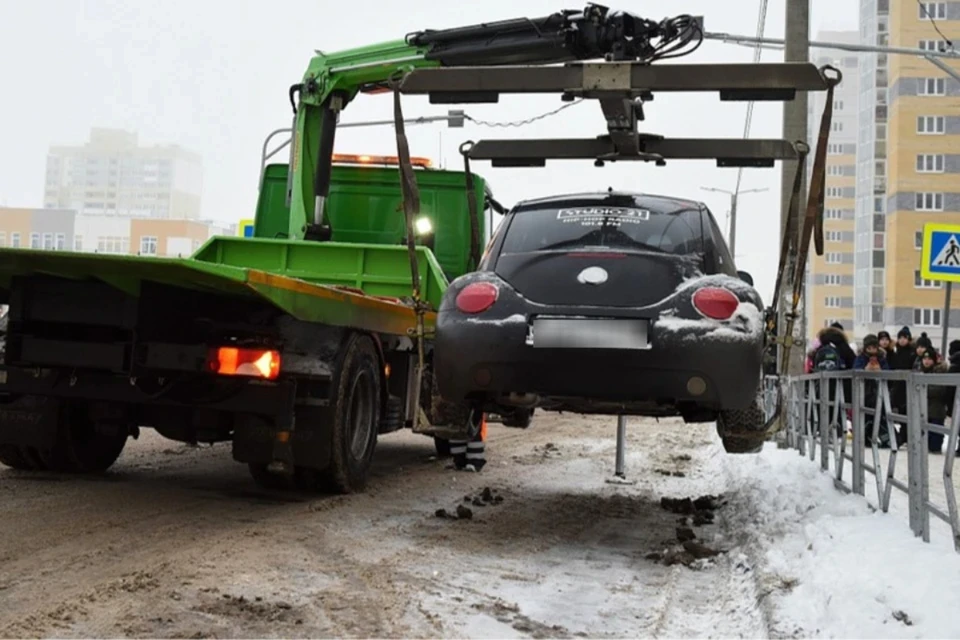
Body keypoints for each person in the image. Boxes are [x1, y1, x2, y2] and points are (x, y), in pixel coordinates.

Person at [854, 334, 893, 447]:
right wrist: (864, 370)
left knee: (880, 415)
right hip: (864, 392)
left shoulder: (881, 358)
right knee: (865, 415)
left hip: (878, 391)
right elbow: (855, 370)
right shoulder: (861, 358)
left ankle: (884, 437)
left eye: (874, 348)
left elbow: (888, 371)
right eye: (869, 348)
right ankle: (864, 437)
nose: (872, 351)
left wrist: (880, 371)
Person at [918, 349, 950, 454]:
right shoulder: (919, 371)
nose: (926, 361)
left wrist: (923, 388)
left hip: (936, 410)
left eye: (929, 359)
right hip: (923, 410)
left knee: (935, 437)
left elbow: (939, 390)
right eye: (925, 359)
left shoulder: (940, 372)